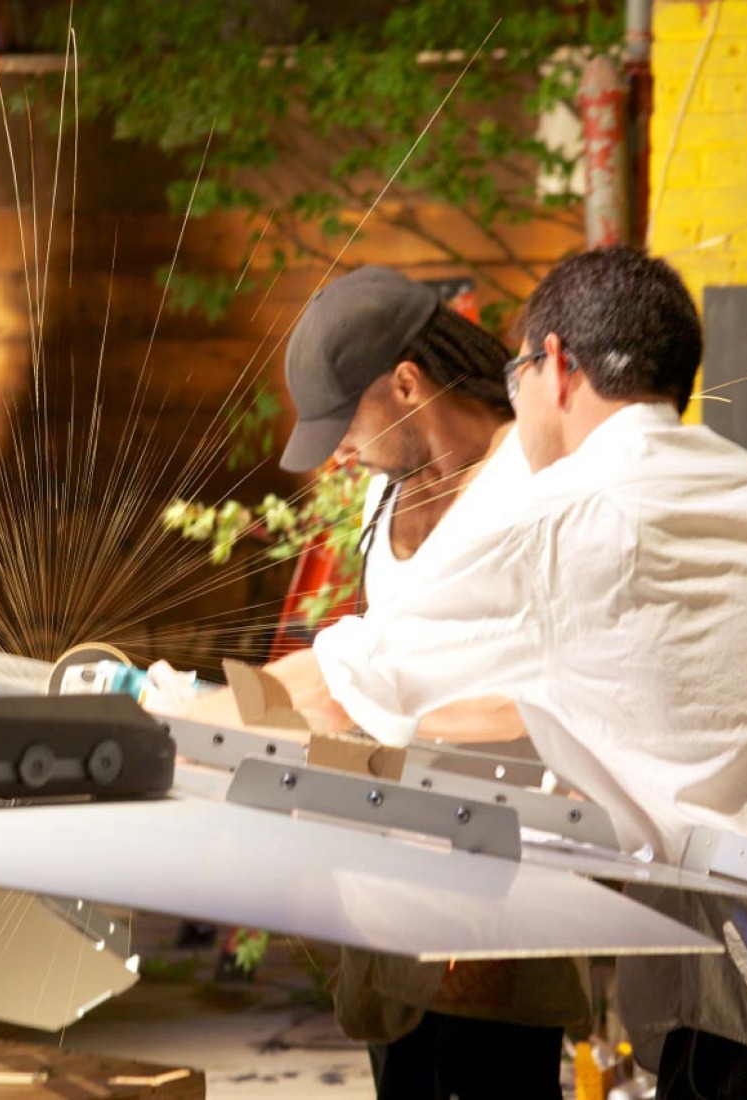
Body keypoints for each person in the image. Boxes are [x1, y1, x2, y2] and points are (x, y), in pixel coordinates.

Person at [317, 246, 747, 1098]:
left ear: (555, 364)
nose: (512, 395)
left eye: (518, 369)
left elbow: (350, 678)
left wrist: (153, 701)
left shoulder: (558, 515)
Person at [183, 264, 588, 1100]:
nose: (338, 448)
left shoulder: (528, 484)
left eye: (347, 421)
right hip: (395, 862)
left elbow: (538, 687)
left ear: (407, 382)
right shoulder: (383, 490)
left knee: (489, 1080)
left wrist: (199, 721)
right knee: (402, 1074)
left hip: (500, 866)